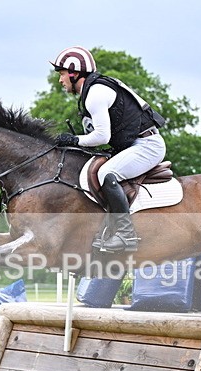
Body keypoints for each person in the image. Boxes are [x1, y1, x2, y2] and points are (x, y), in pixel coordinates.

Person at [50, 46, 167, 253]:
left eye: (61, 74)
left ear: (73, 74)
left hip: (148, 145)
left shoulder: (95, 94)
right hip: (134, 144)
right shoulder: (93, 90)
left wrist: (74, 140)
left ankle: (125, 234)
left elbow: (102, 137)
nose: (60, 80)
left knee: (106, 173)